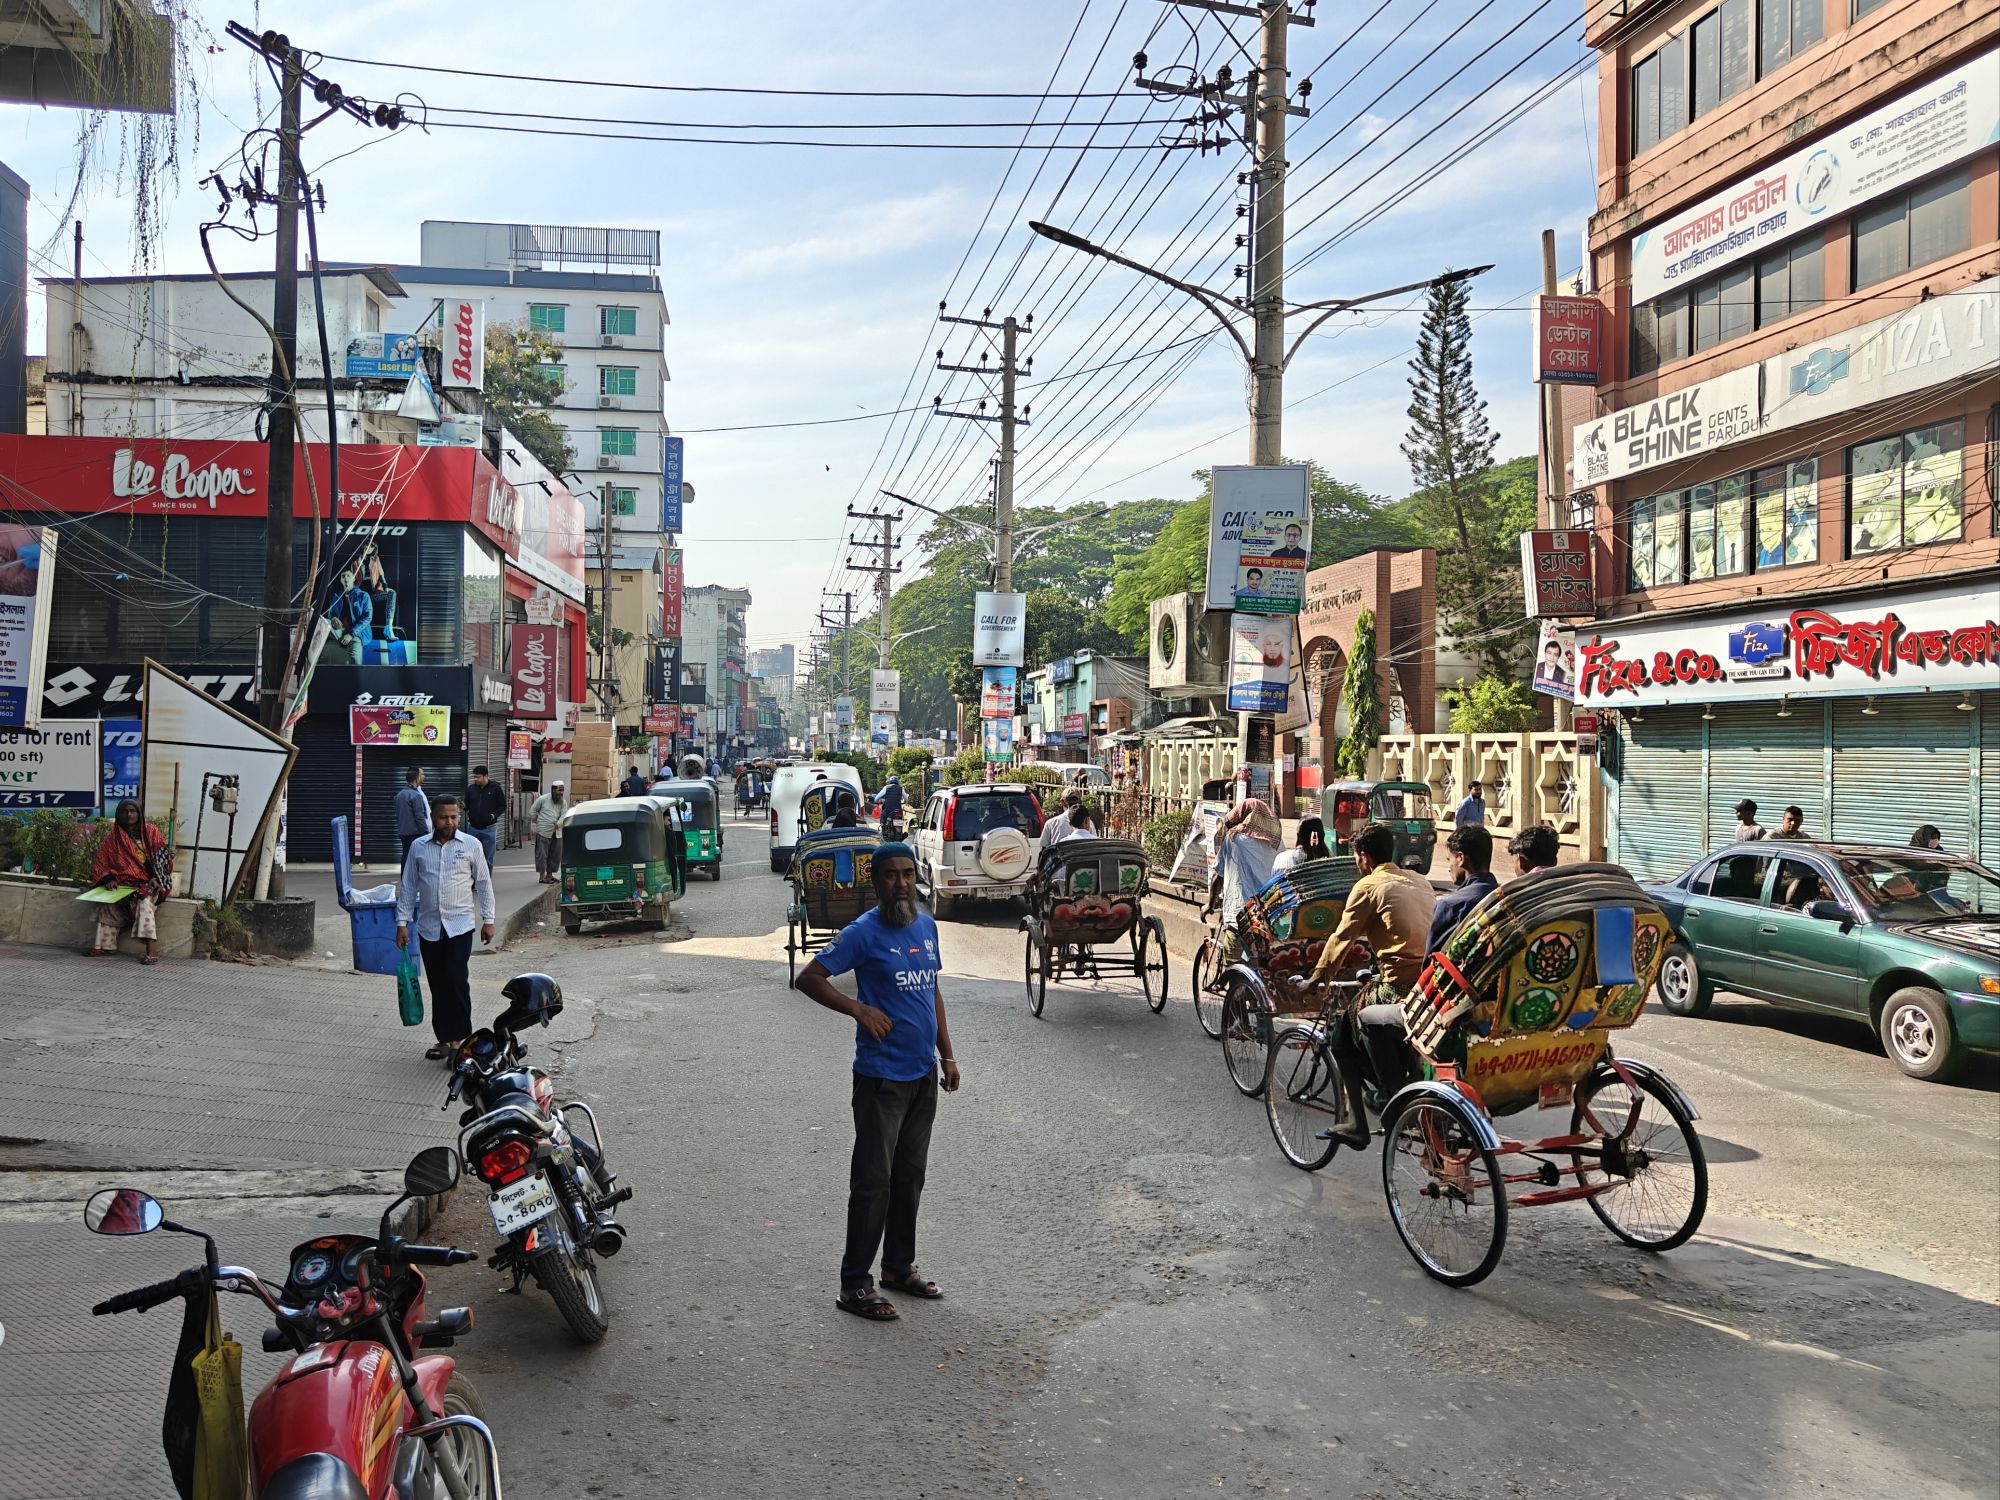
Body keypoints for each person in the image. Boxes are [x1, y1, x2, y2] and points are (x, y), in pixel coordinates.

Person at [792, 843, 960, 1322]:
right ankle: (854, 1285)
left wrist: (947, 1055)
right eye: (891, 875)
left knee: (910, 1177)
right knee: (873, 1183)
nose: (901, 883)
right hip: (880, 1079)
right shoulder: (862, 933)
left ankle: (898, 1268)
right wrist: (858, 1010)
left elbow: (932, 991)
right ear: (876, 881)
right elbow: (810, 978)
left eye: (907, 874)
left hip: (922, 1073)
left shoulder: (926, 926)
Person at [396, 794, 495, 1061]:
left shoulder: (471, 845)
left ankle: (459, 1042)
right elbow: (408, 886)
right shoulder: (418, 847)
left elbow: (483, 883)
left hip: (460, 926)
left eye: (453, 817)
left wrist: (488, 919)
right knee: (438, 984)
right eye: (443, 817)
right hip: (429, 927)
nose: (449, 822)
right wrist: (402, 922)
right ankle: (443, 1039)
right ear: (433, 818)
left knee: (456, 980)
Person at [87, 799, 172, 964]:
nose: (128, 814)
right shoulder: (113, 837)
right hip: (122, 882)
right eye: (124, 811)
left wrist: (157, 878)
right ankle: (105, 946)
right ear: (119, 814)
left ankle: (151, 951)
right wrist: (109, 878)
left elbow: (163, 859)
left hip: (149, 882)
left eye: (132, 811)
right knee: (106, 902)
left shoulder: (151, 832)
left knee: (144, 903)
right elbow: (102, 863)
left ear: (139, 813)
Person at [1207, 799, 1283, 964]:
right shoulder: (1277, 842)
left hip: (1239, 916)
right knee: (1260, 968)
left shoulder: (1234, 839)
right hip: (1267, 917)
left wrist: (1209, 905)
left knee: (1232, 967)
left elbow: (1218, 876)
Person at [1426, 825, 1499, 955]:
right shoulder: (1506, 896)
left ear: (1460, 858)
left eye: (1449, 859)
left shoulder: (1450, 906)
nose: (1449, 868)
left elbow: (1431, 960)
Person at [462, 765, 507, 872]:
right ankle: (472, 880)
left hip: (489, 829)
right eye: (474, 777)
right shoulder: (471, 789)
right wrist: (463, 806)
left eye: (478, 777)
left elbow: (503, 806)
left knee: (488, 858)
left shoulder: (496, 788)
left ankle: (486, 881)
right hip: (473, 828)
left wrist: (493, 815)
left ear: (486, 776)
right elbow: (467, 806)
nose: (475, 779)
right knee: (471, 857)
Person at [324, 567, 373, 663]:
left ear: (354, 578)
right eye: (343, 576)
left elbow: (367, 617)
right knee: (322, 622)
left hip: (357, 634)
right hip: (340, 631)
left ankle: (353, 669)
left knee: (355, 661)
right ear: (340, 580)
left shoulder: (363, 595)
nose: (346, 578)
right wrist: (333, 618)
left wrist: (351, 634)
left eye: (348, 576)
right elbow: (331, 614)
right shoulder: (336, 596)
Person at [529, 781, 566, 883]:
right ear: (553, 789)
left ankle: (549, 876)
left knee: (555, 855)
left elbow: (564, 815)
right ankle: (542, 877)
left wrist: (558, 824)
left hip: (557, 832)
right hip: (543, 831)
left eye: (562, 790)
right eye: (559, 790)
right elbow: (532, 811)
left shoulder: (563, 802)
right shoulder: (542, 799)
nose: (561, 793)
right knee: (542, 854)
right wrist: (540, 821)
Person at [394, 768, 429, 864]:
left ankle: (404, 874)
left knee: (406, 855)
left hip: (403, 832)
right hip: (415, 833)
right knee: (417, 858)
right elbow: (419, 816)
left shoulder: (399, 795)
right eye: (421, 775)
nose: (423, 777)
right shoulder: (416, 795)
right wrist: (425, 832)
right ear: (416, 778)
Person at [876, 774, 906, 840]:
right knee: (901, 818)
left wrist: (879, 801)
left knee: (883, 816)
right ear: (897, 782)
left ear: (890, 781)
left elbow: (876, 798)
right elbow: (906, 799)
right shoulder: (901, 788)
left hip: (888, 809)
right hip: (898, 810)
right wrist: (903, 802)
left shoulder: (886, 787)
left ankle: (883, 830)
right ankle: (900, 833)